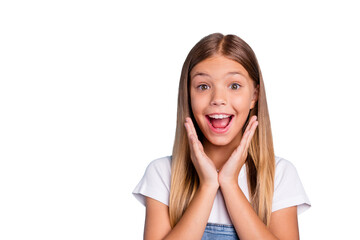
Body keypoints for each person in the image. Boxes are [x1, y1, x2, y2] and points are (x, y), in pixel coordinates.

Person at [133, 33, 311, 240]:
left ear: (254, 96)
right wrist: (208, 186)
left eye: (234, 86)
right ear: (188, 95)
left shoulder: (279, 174)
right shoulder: (163, 173)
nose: (218, 99)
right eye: (203, 86)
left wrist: (230, 183)